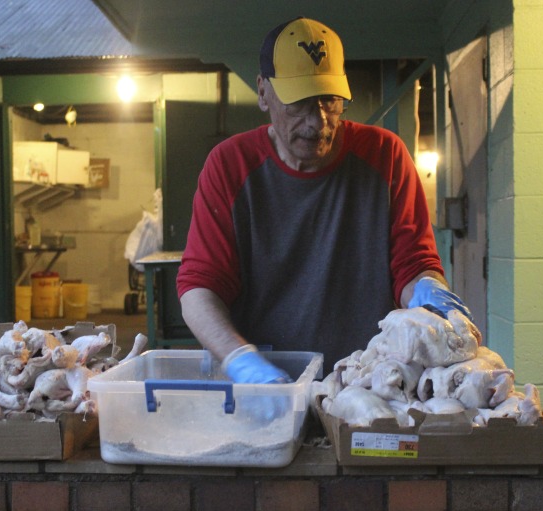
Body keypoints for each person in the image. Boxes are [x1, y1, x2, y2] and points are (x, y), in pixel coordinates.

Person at [176, 17, 475, 384]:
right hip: (269, 384)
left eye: (329, 101)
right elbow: (199, 286)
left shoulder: (385, 155)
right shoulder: (230, 166)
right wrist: (240, 361)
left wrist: (428, 286)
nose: (317, 122)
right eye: (299, 103)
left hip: (368, 378)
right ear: (263, 92)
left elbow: (411, 265)